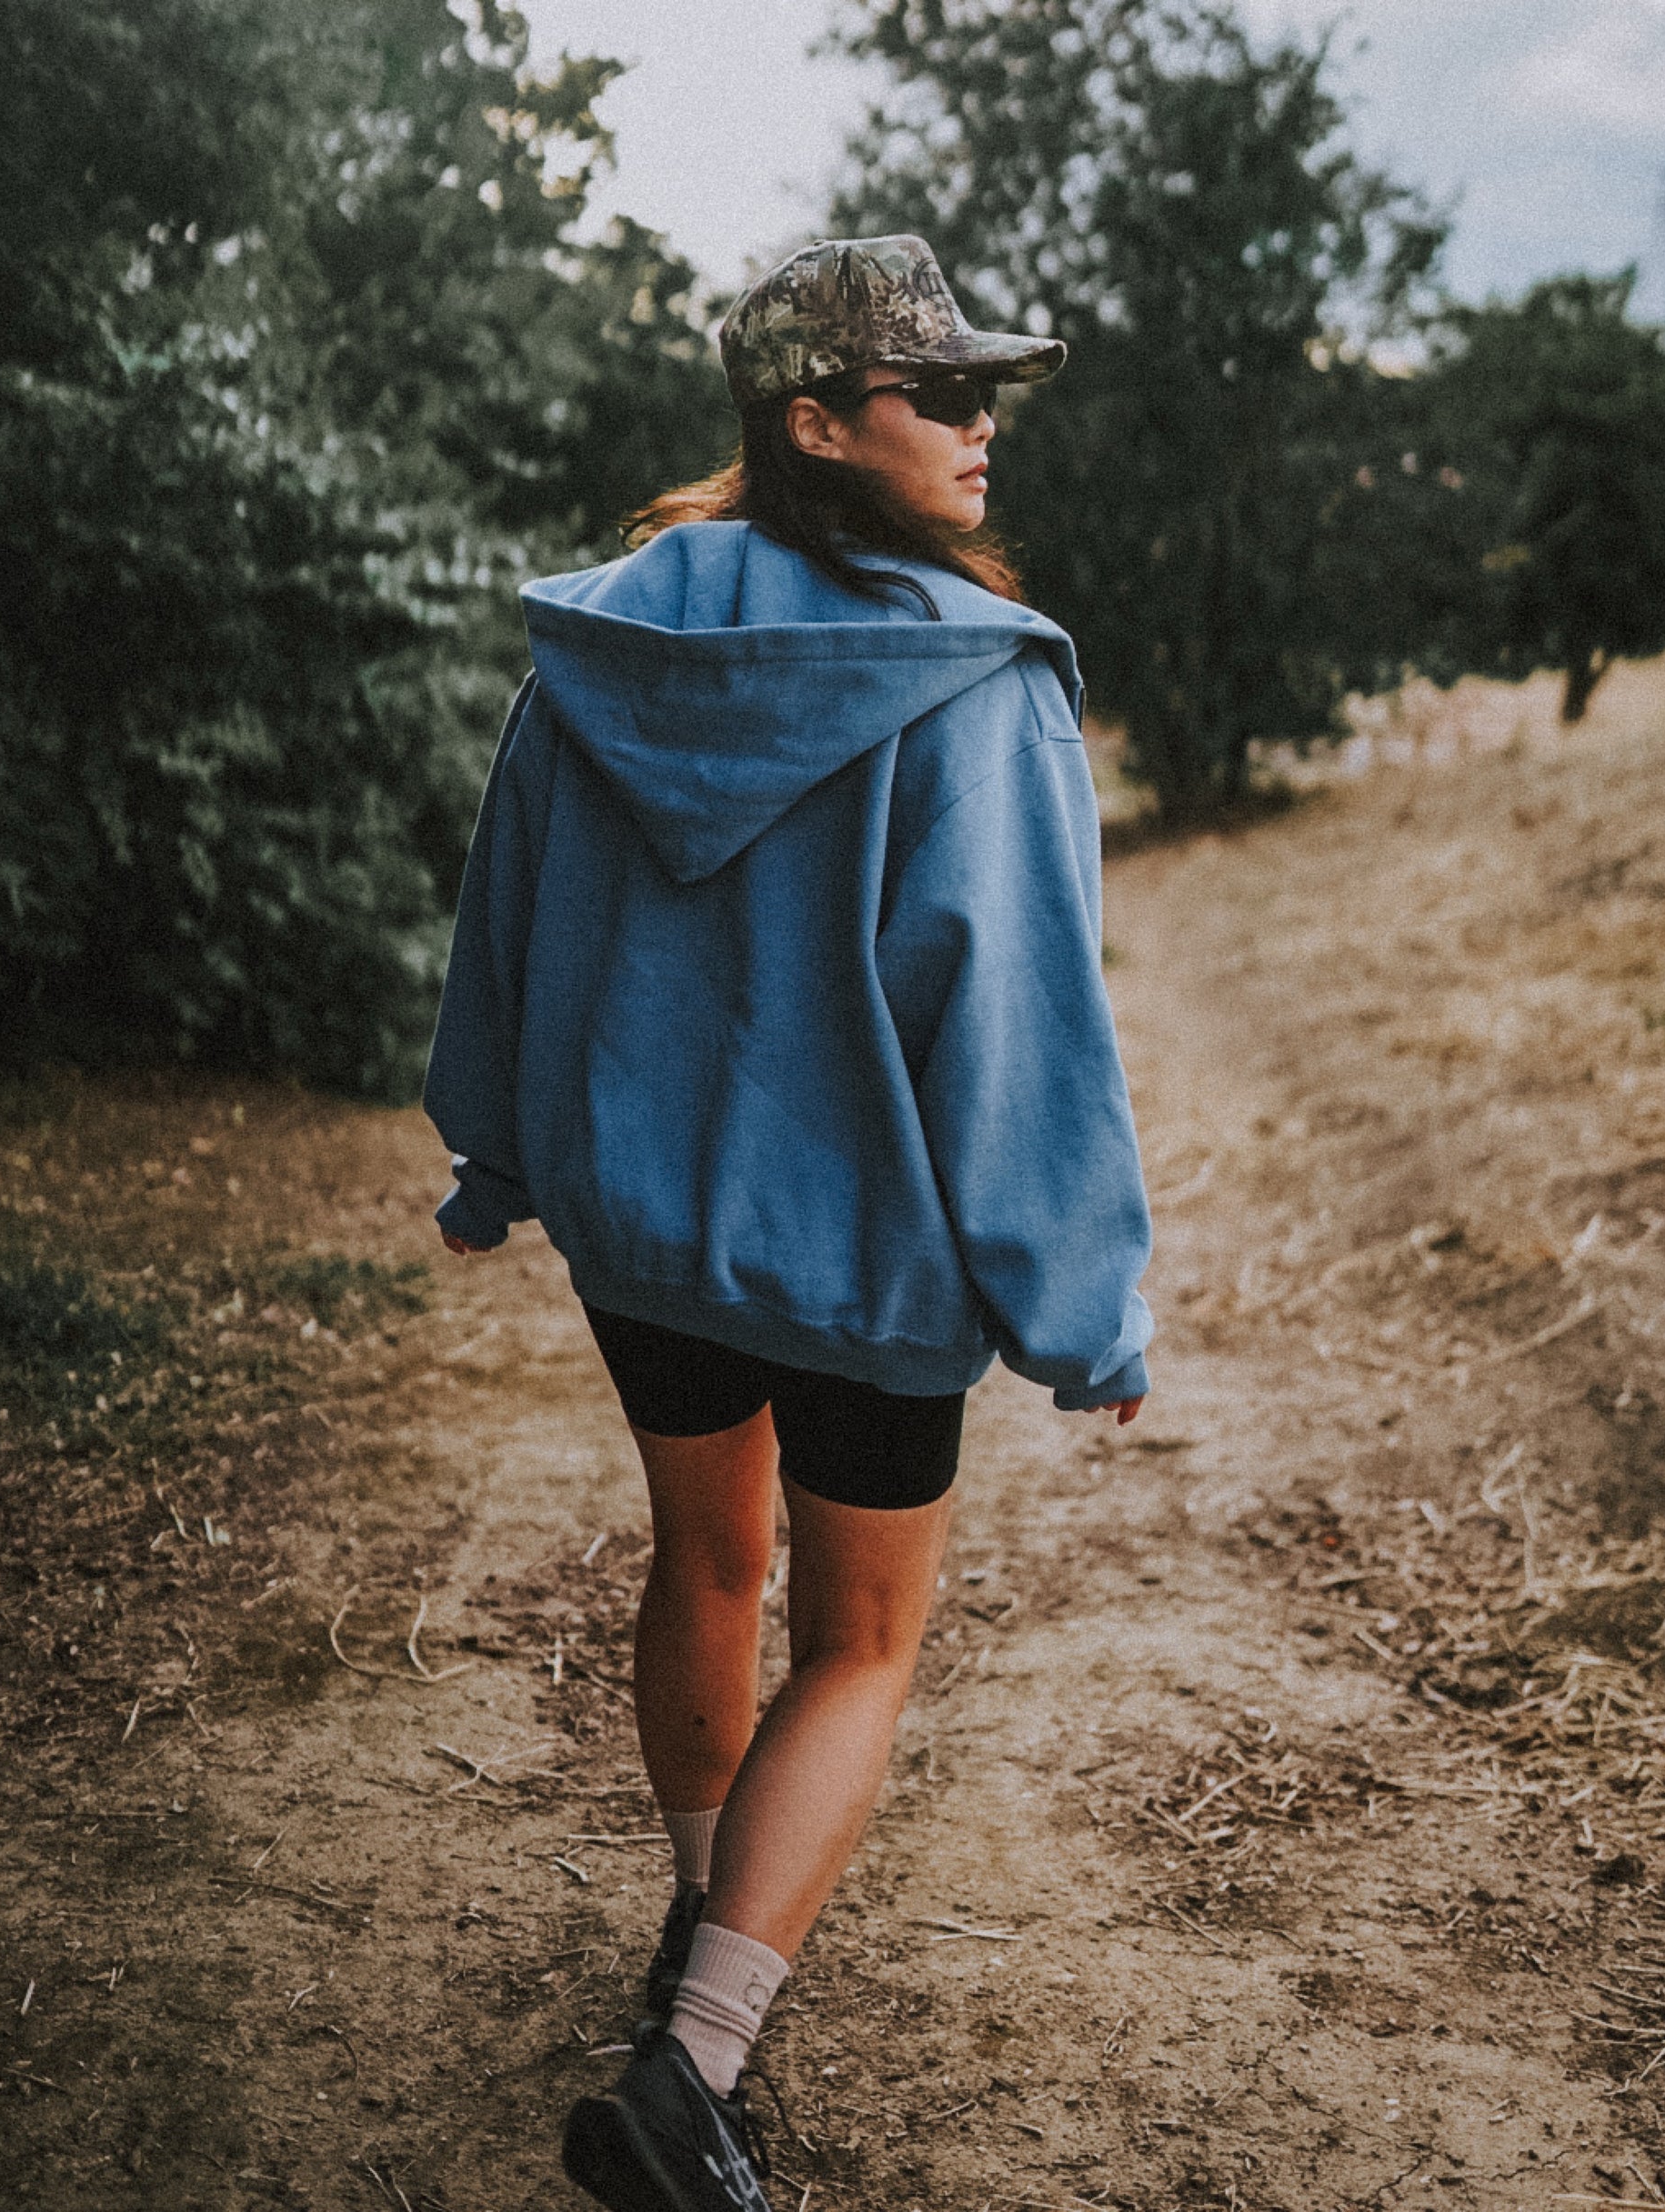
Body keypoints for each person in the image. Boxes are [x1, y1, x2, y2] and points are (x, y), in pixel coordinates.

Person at [423, 235, 1154, 2212]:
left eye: (988, 392)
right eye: (942, 393)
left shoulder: (598, 649)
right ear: (815, 423)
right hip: (863, 1264)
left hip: (645, 1233)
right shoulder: (981, 683)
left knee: (706, 1554)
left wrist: (497, 1156)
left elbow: (506, 917)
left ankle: (697, 1915)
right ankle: (695, 2070)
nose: (984, 426)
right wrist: (1081, 1306)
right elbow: (1015, 1023)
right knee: (862, 1638)